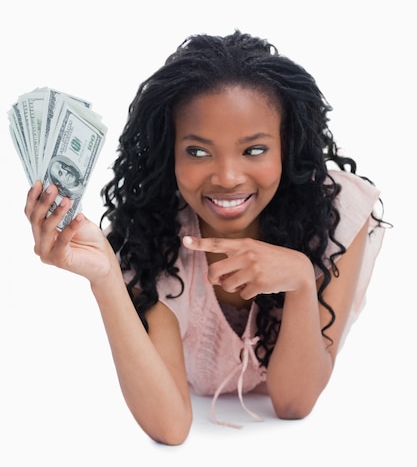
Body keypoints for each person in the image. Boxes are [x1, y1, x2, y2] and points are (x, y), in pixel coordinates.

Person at [25, 31, 386, 445]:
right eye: (198, 151)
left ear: (286, 147)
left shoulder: (335, 215)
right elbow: (171, 428)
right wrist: (106, 278)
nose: (228, 177)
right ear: (170, 153)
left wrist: (302, 280)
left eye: (254, 150)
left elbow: (293, 403)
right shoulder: (148, 244)